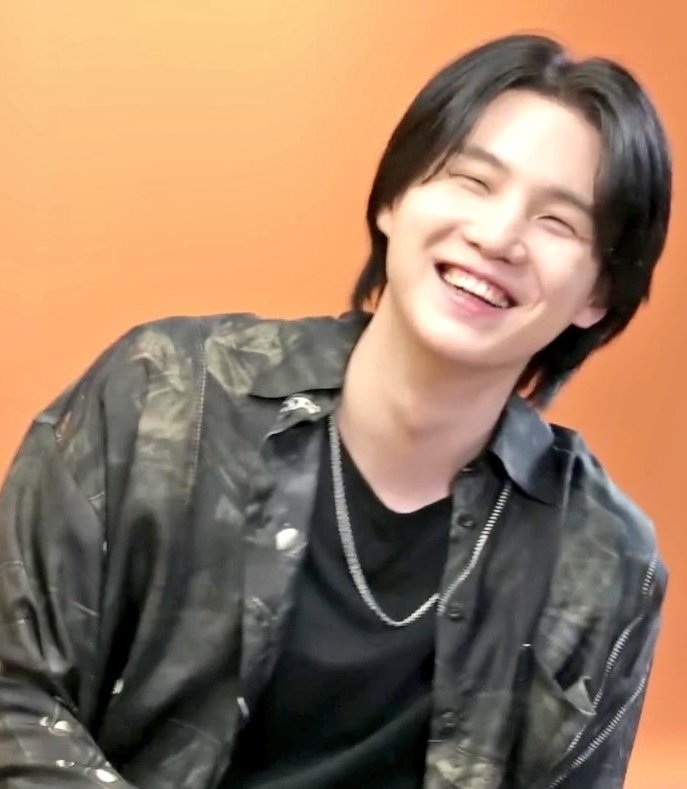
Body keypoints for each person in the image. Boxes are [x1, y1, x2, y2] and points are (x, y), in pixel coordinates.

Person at [0, 32, 670, 789]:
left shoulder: (604, 558)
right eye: (472, 181)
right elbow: (14, 691)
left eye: (558, 222)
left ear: (598, 293)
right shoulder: (163, 395)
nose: (498, 237)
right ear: (393, 198)